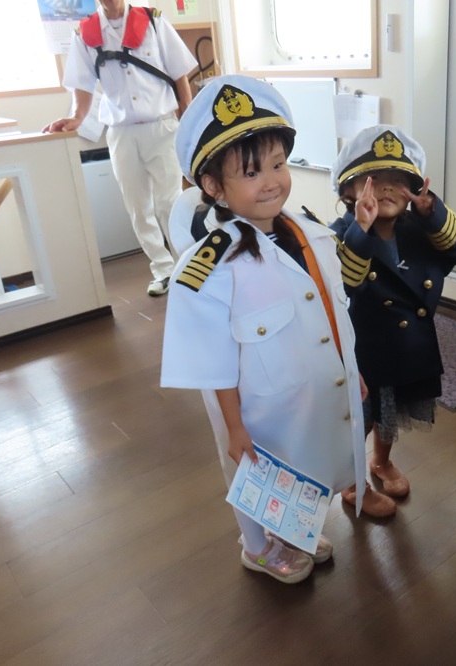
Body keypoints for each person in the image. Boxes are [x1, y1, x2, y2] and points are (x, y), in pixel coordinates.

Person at [160, 75, 385, 583]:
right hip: (254, 408)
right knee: (257, 472)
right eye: (250, 171)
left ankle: (292, 533)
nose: (271, 181)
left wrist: (351, 371)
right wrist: (234, 427)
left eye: (278, 164)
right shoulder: (210, 268)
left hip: (305, 392)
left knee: (303, 465)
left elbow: (334, 310)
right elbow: (210, 362)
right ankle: (258, 546)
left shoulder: (310, 233)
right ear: (212, 186)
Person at [329, 125, 456, 514]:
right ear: (348, 191)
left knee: (389, 414)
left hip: (406, 347)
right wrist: (361, 228)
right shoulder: (342, 234)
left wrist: (432, 213)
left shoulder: (421, 230)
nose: (387, 188)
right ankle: (353, 482)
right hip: (363, 349)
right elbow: (345, 281)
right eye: (374, 179)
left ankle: (381, 461)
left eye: (399, 179)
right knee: (360, 418)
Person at [44, 0, 196, 297]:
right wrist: (77, 117)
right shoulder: (84, 33)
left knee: (169, 202)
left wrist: (188, 115)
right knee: (138, 207)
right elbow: (83, 84)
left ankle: (185, 266)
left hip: (162, 126)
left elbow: (179, 73)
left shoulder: (153, 21)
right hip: (121, 132)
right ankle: (162, 270)